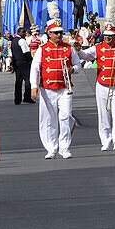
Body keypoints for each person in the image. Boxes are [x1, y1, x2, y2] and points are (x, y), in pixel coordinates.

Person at [77, 19, 115, 151]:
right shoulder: (98, 48)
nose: (108, 37)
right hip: (102, 85)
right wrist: (78, 50)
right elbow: (85, 55)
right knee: (103, 113)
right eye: (106, 35)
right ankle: (105, 140)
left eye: (111, 35)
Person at [30, 19, 83, 159]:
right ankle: (51, 147)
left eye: (60, 32)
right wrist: (34, 86)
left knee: (65, 116)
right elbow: (35, 68)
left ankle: (64, 147)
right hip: (47, 89)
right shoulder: (42, 49)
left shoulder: (68, 48)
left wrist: (73, 69)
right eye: (56, 33)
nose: (59, 35)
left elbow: (78, 65)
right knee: (49, 119)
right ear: (49, 33)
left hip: (65, 88)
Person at [10, 28, 34, 105]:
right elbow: (26, 52)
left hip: (17, 62)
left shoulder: (13, 41)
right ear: (19, 33)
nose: (24, 34)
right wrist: (31, 60)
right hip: (23, 61)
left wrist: (13, 64)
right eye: (23, 32)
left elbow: (13, 54)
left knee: (18, 81)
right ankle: (27, 97)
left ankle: (17, 98)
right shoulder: (22, 41)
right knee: (27, 79)